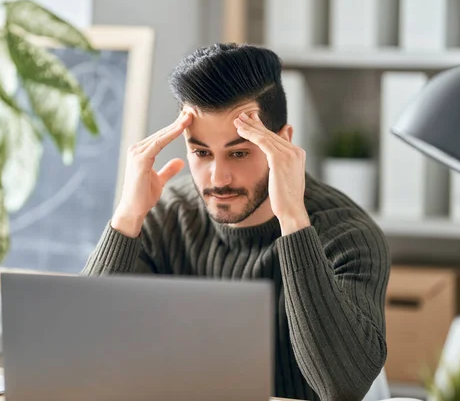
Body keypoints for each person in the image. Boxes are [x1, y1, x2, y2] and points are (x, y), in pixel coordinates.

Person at [81, 43, 390, 401]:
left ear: (284, 143)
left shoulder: (348, 235)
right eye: (201, 152)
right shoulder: (165, 215)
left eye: (239, 152)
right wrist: (126, 217)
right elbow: (81, 361)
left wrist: (292, 219)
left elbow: (343, 387)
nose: (218, 177)